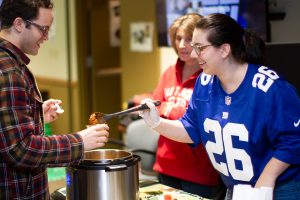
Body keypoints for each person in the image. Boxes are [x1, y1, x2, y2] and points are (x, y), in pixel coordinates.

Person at [139, 13, 300, 200]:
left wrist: (267, 177)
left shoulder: (271, 89)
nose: (192, 54)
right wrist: (157, 123)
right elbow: (191, 128)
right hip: (237, 188)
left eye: (199, 47)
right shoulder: (205, 82)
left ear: (224, 50)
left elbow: (293, 140)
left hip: (278, 188)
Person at [0, 0, 109, 199]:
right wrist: (79, 141)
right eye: (43, 29)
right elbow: (19, 149)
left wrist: (35, 114)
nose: (47, 37)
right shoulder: (9, 72)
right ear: (18, 24)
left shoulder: (10, 62)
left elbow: (5, 129)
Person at [148, 13, 221, 199]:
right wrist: (174, 110)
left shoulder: (211, 75)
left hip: (200, 172)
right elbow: (154, 108)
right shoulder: (169, 72)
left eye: (188, 39)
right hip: (166, 165)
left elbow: (201, 119)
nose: (181, 45)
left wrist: (167, 108)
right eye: (178, 38)